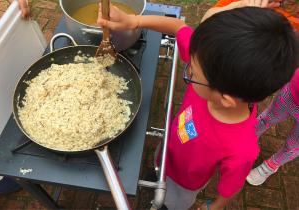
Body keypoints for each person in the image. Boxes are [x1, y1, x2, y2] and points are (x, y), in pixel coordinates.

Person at [97, 0, 299, 209]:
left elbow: (230, 188)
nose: (189, 69)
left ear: (225, 99)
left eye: (191, 72)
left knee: (170, 202)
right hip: (169, 149)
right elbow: (178, 28)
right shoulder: (212, 64)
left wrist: (216, 206)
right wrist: (134, 21)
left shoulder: (242, 149)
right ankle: (157, 171)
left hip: (185, 184)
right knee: (158, 168)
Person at [246, 69, 299, 185]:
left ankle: (271, 165)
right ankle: (246, 140)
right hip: (292, 92)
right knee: (266, 119)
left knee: (294, 145)